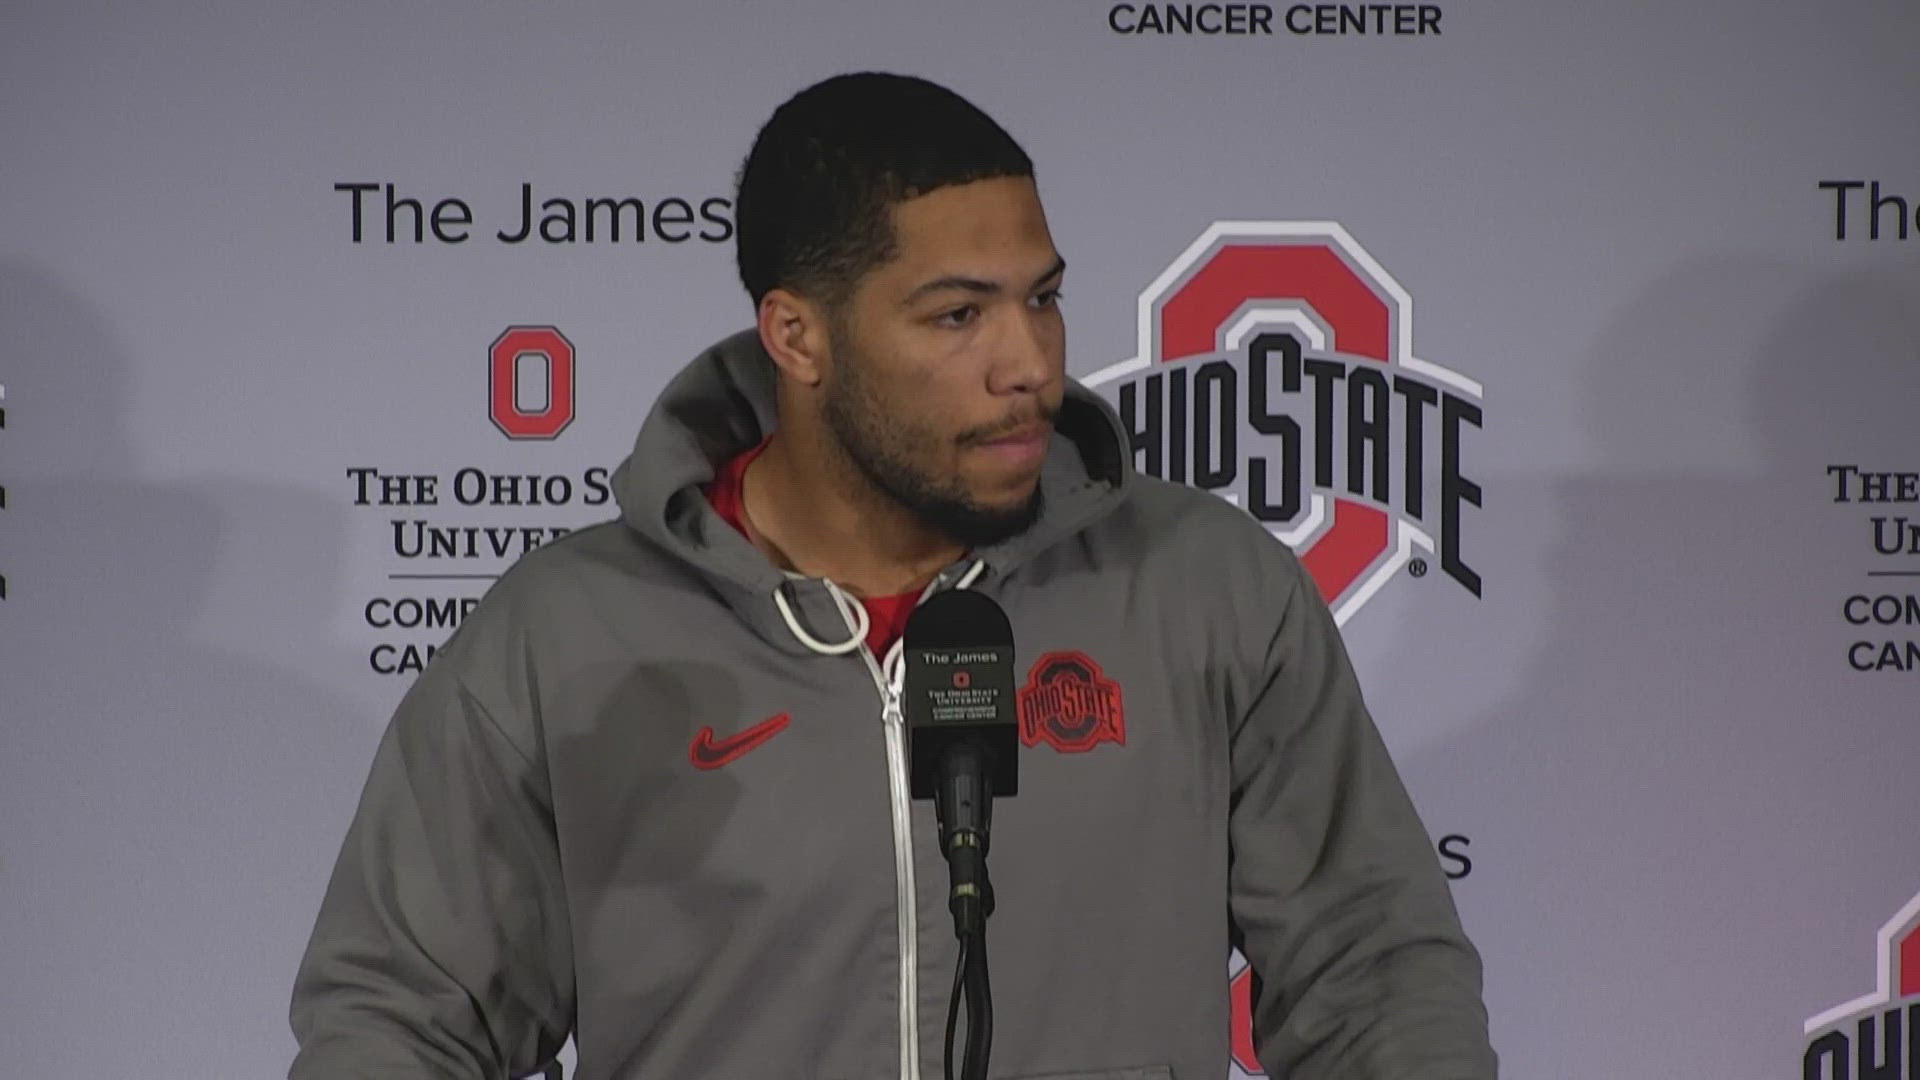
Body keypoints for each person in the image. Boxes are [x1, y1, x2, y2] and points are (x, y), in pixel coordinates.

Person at [289, 72, 1496, 1080]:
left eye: (1042, 297)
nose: (1027, 361)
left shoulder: (1204, 588)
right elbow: (400, 1023)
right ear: (797, 335)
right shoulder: (567, 639)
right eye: (957, 316)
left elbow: (1374, 974)